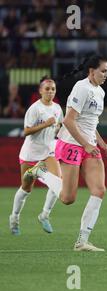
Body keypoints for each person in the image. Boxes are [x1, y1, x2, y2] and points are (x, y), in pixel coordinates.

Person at [24, 55, 107, 252]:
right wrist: (86, 144)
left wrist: (101, 143)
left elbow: (91, 122)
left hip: (89, 144)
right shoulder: (82, 88)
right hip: (71, 143)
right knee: (67, 198)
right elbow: (69, 121)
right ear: (91, 71)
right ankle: (40, 172)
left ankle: (82, 241)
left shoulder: (100, 92)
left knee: (99, 190)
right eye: (103, 71)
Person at [8, 76, 63, 235]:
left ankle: (45, 215)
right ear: (40, 91)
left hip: (47, 152)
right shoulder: (34, 109)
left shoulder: (57, 108)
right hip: (30, 153)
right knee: (26, 189)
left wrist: (58, 128)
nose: (50, 92)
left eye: (53, 89)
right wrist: (46, 124)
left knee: (57, 182)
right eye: (47, 89)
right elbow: (26, 131)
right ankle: (14, 218)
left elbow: (58, 126)